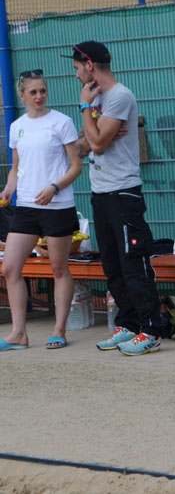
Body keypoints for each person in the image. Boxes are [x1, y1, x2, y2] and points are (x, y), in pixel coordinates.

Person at [66, 40, 167, 355]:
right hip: (101, 193)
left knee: (133, 263)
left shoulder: (119, 96)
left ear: (90, 65)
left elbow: (95, 144)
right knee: (112, 266)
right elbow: (82, 146)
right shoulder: (97, 98)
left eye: (77, 68)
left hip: (123, 193)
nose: (76, 75)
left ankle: (151, 330)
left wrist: (87, 113)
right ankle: (129, 324)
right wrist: (96, 129)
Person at [0, 69, 83, 351]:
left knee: (58, 268)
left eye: (43, 91)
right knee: (10, 268)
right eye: (33, 92)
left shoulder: (61, 122)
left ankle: (59, 330)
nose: (39, 96)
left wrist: (54, 188)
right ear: (22, 95)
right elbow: (16, 168)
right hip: (25, 207)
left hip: (57, 206)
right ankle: (18, 334)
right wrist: (8, 189)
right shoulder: (17, 127)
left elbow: (76, 166)